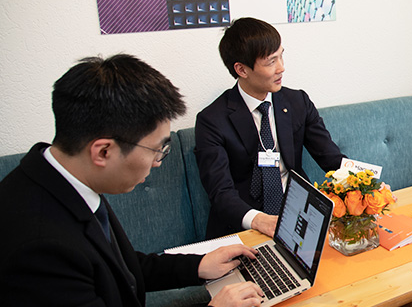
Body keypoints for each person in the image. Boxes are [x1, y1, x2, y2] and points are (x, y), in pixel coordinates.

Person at [0, 54, 266, 306]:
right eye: (156, 150)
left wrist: (197, 265)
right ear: (103, 151)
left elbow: (118, 268)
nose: (158, 162)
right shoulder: (40, 249)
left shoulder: (64, 179)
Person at [196, 17, 345, 239]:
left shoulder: (297, 102)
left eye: (281, 55)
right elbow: (221, 193)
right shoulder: (212, 121)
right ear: (242, 69)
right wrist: (259, 221)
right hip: (245, 225)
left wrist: (369, 183)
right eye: (271, 61)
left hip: (298, 215)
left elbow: (331, 158)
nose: (281, 68)